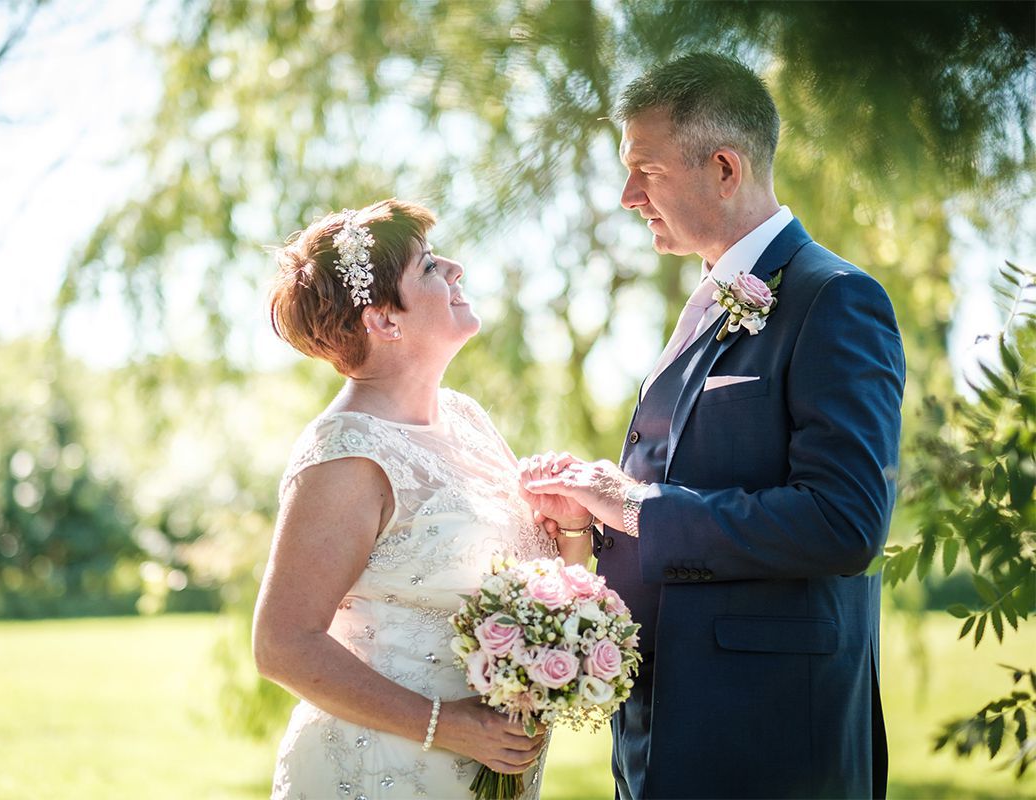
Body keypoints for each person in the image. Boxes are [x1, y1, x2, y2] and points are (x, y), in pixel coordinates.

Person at [521, 53, 905, 799]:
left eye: (646, 170)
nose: (628, 195)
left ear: (724, 168)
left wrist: (636, 505)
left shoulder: (836, 300)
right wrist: (592, 520)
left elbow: (846, 523)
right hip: (661, 729)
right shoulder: (706, 301)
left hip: (771, 742)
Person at [253, 199, 590, 799]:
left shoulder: (466, 417)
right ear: (384, 320)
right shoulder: (347, 453)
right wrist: (450, 727)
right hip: (378, 771)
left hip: (490, 772)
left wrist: (569, 534)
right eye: (430, 266)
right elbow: (282, 643)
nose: (456, 269)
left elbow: (529, 596)